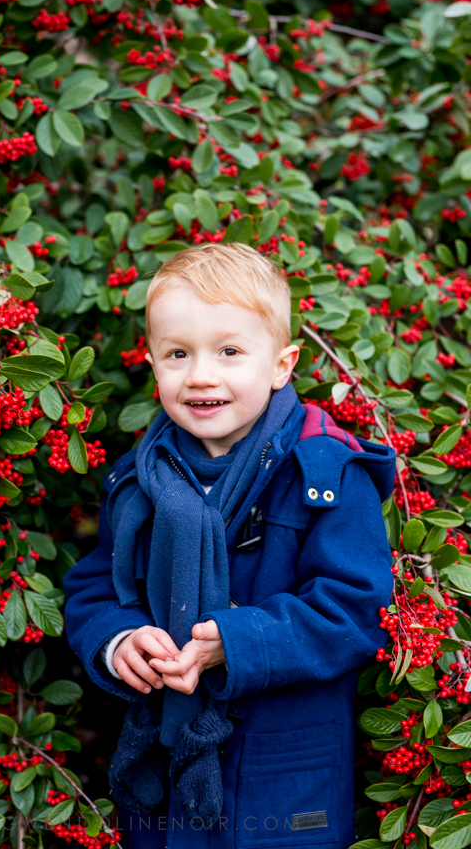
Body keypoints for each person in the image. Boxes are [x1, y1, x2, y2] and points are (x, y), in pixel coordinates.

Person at [63, 242, 395, 849]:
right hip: (163, 770)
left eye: (230, 352)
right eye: (178, 354)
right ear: (154, 364)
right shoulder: (140, 479)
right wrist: (118, 641)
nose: (202, 375)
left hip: (285, 781)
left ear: (281, 365)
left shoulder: (324, 473)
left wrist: (237, 643)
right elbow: (94, 585)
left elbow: (357, 609)